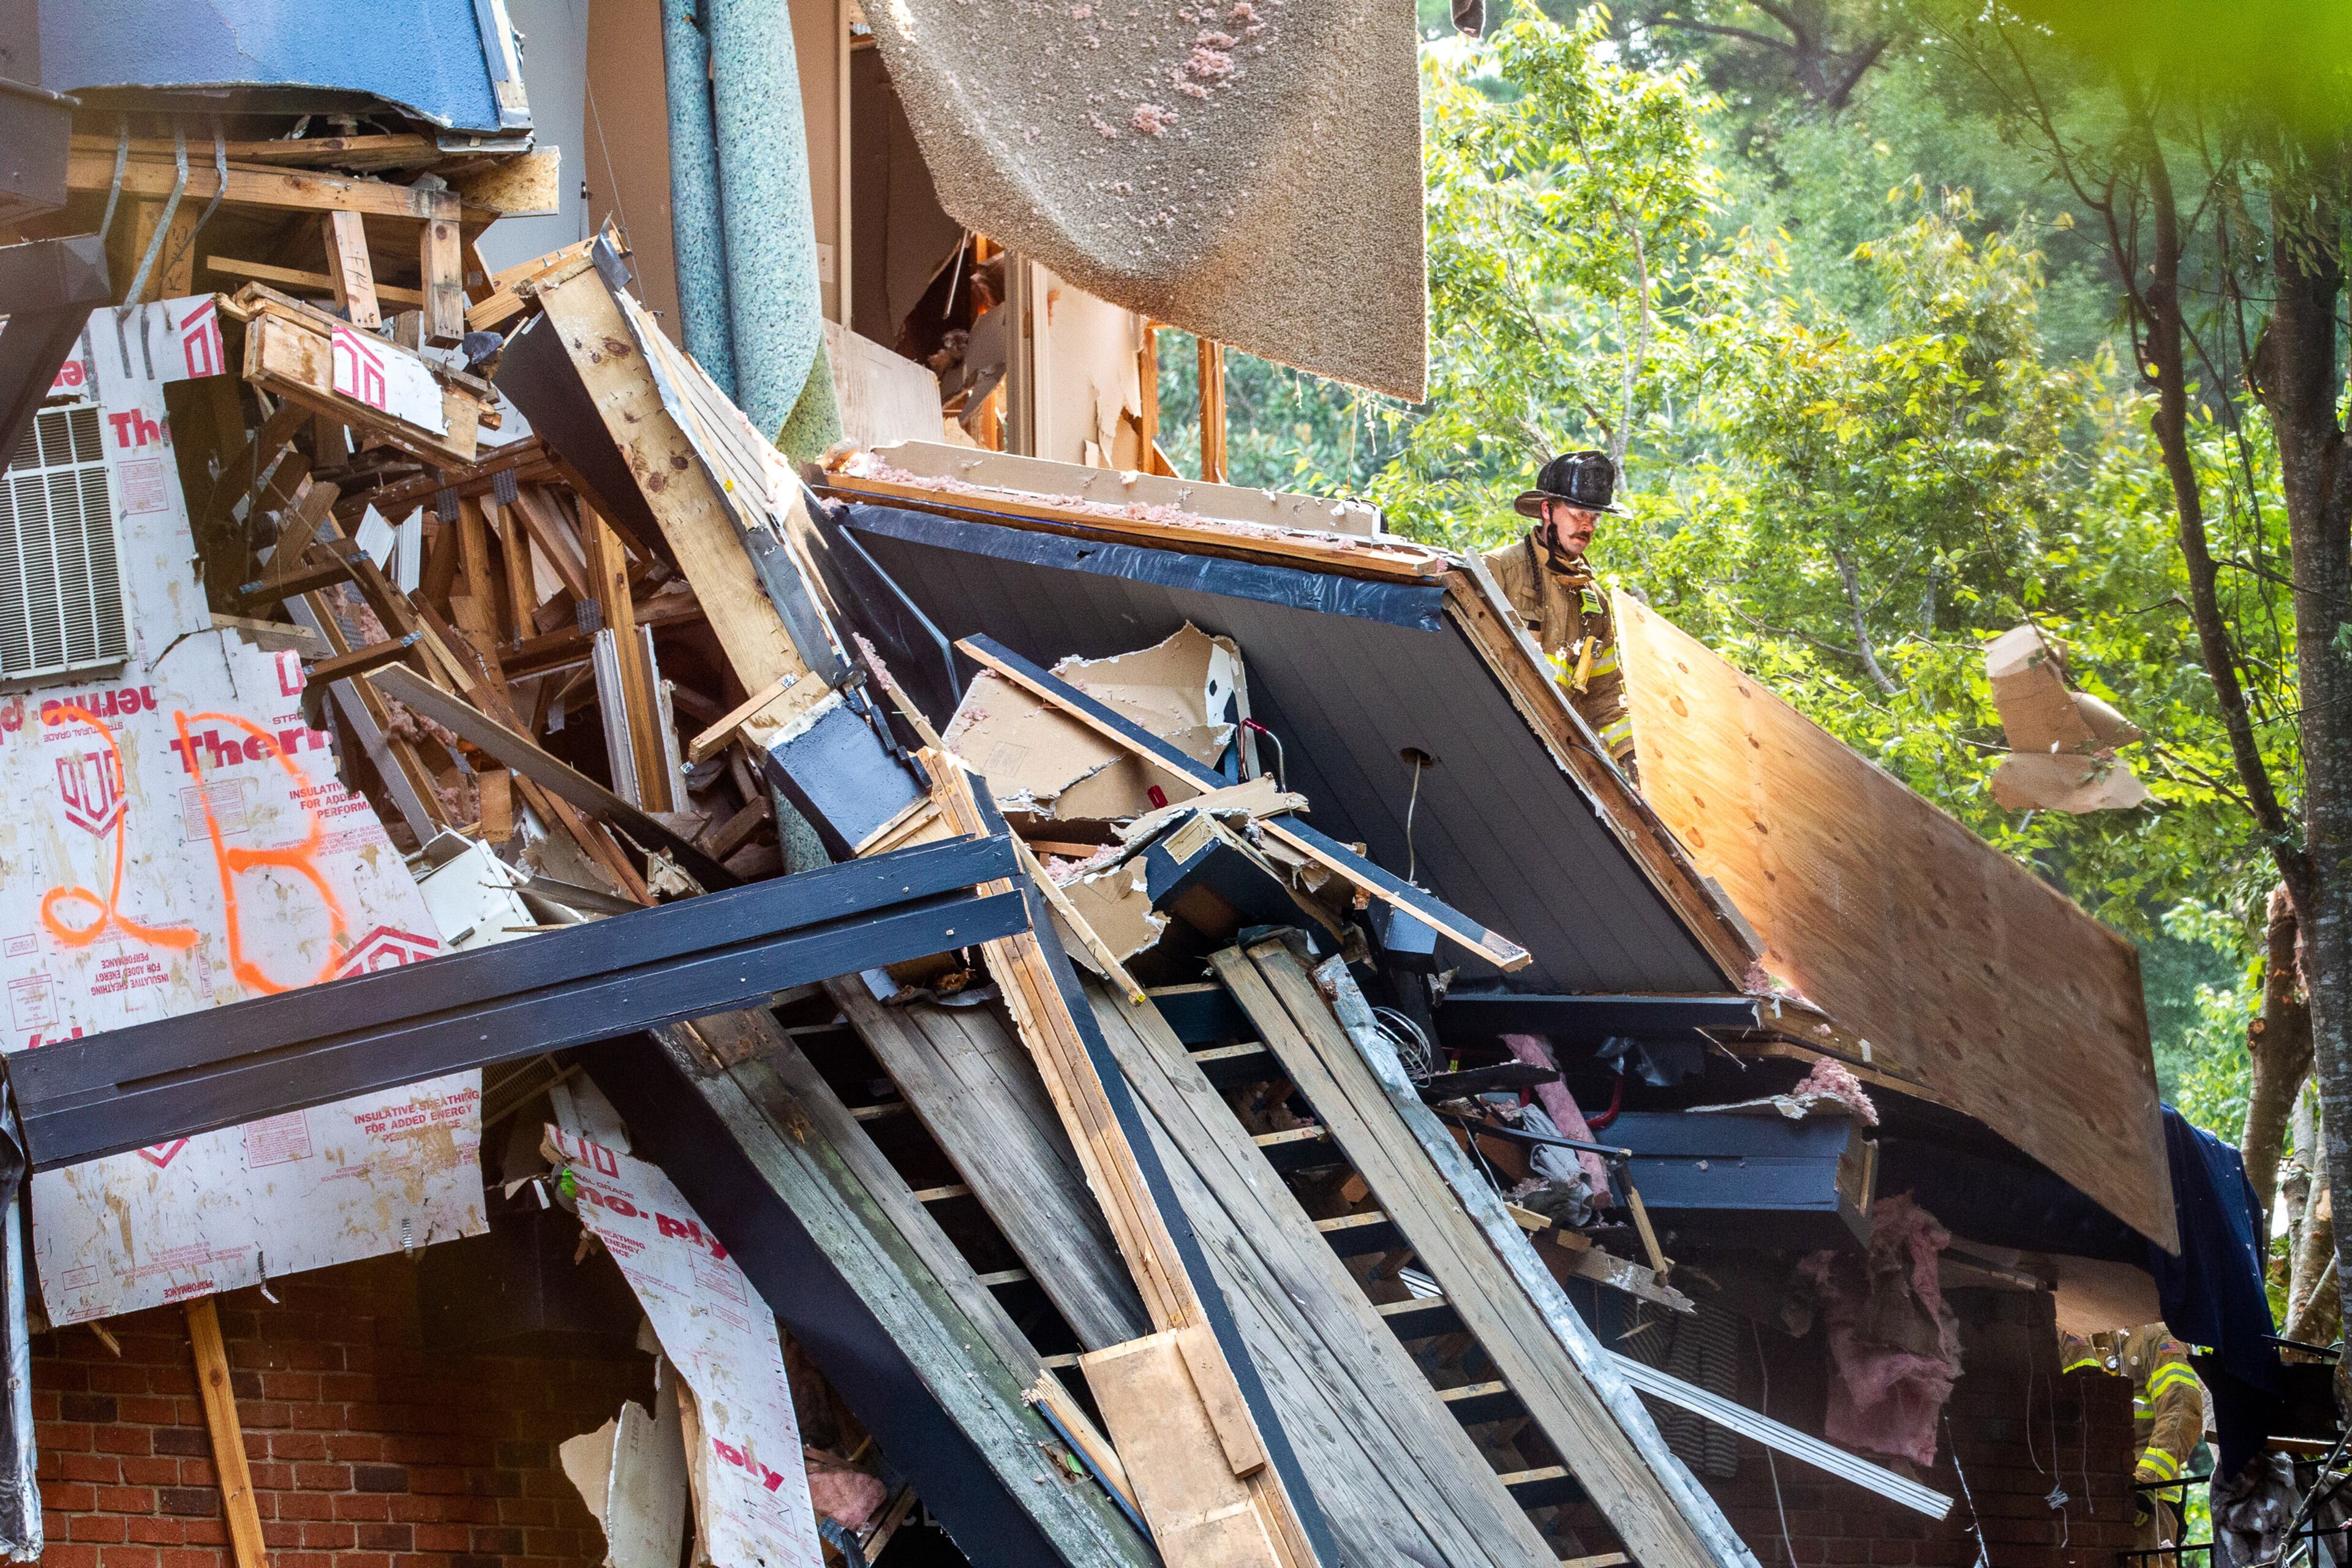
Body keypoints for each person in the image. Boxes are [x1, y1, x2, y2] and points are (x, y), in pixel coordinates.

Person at [1483, 451, 1636, 778]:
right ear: (1546, 510)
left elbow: (1605, 695)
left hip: (1556, 761)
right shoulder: (1499, 570)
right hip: (1492, 744)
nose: (1587, 526)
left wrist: (1632, 758)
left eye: (1594, 518)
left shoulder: (1593, 601)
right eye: (1579, 513)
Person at [2061, 1323, 2206, 1561]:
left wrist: (2145, 1485)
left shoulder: (2154, 1336)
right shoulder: (2067, 1332)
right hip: (2084, 1500)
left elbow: (2181, 1409)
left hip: (2148, 1506)